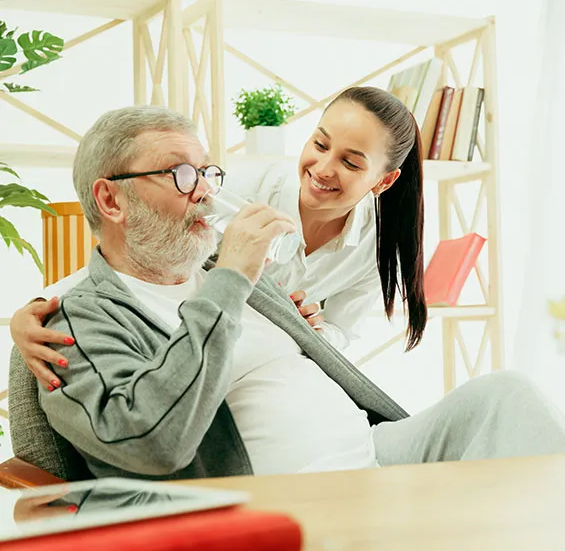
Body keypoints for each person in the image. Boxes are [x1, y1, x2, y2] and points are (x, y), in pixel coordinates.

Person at [9, 105, 565, 481]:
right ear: (111, 201)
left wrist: (295, 322)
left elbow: (320, 348)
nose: (205, 191)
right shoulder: (78, 321)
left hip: (373, 457)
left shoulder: (226, 270)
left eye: (208, 172)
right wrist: (230, 279)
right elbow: (152, 445)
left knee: (507, 396)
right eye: (182, 174)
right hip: (291, 501)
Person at [11, 87, 425, 384]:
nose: (323, 168)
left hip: (284, 369)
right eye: (319, 143)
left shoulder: (378, 245)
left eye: (351, 164)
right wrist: (33, 310)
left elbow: (340, 334)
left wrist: (312, 330)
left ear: (383, 181)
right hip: (209, 356)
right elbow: (137, 255)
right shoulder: (238, 189)